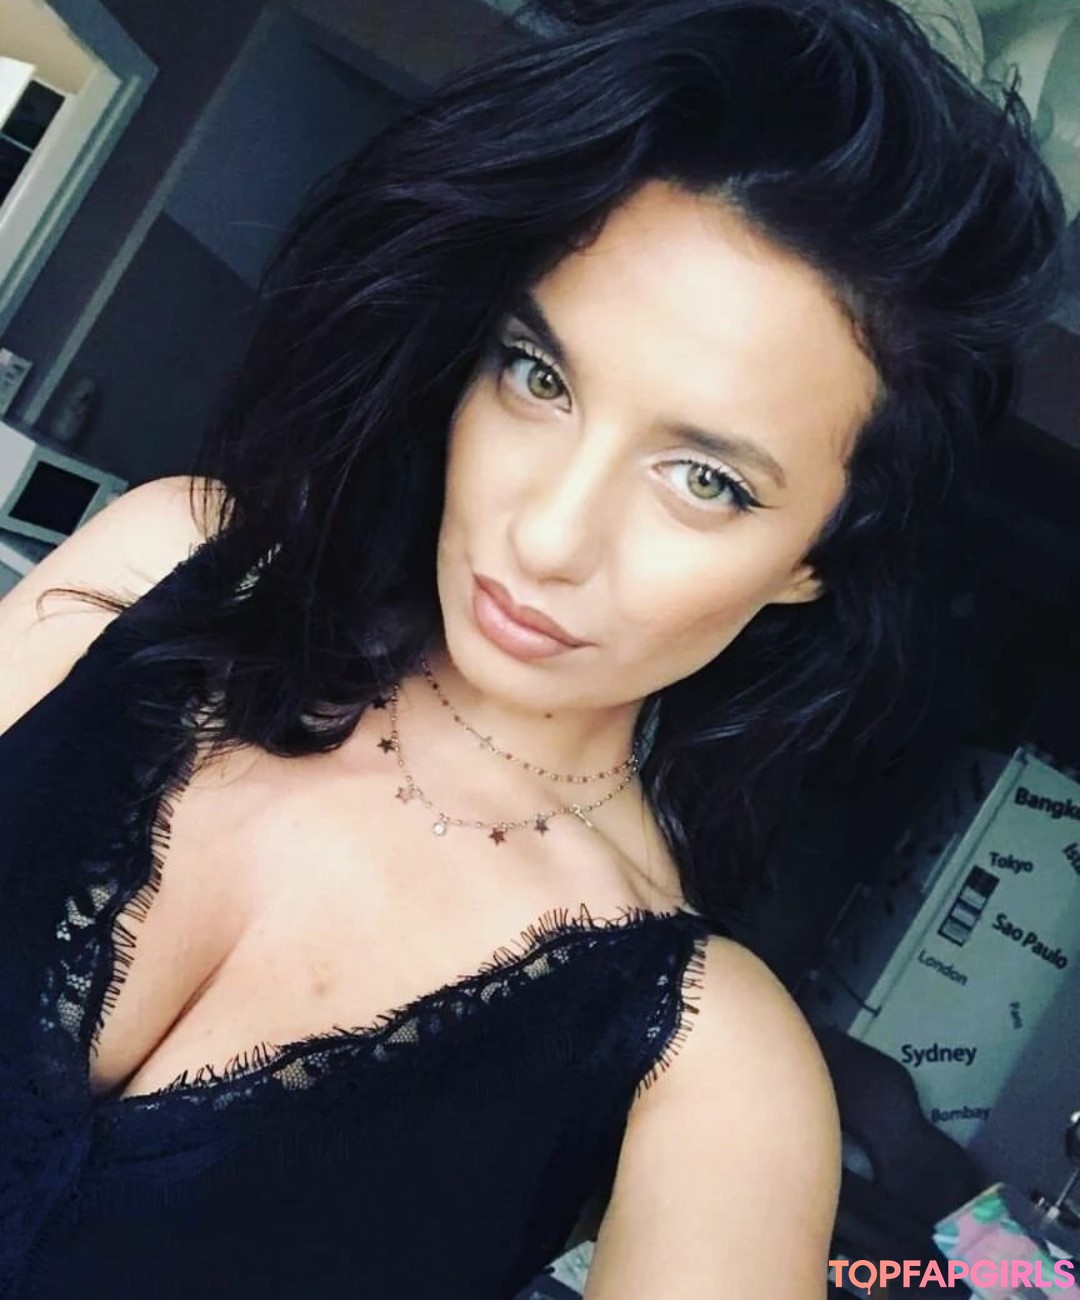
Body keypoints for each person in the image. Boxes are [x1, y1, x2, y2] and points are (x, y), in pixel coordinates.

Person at [0, 0, 1063, 1296]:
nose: (550, 534)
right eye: (538, 377)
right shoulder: (161, 564)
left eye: (705, 481)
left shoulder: (713, 1072)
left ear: (814, 560)